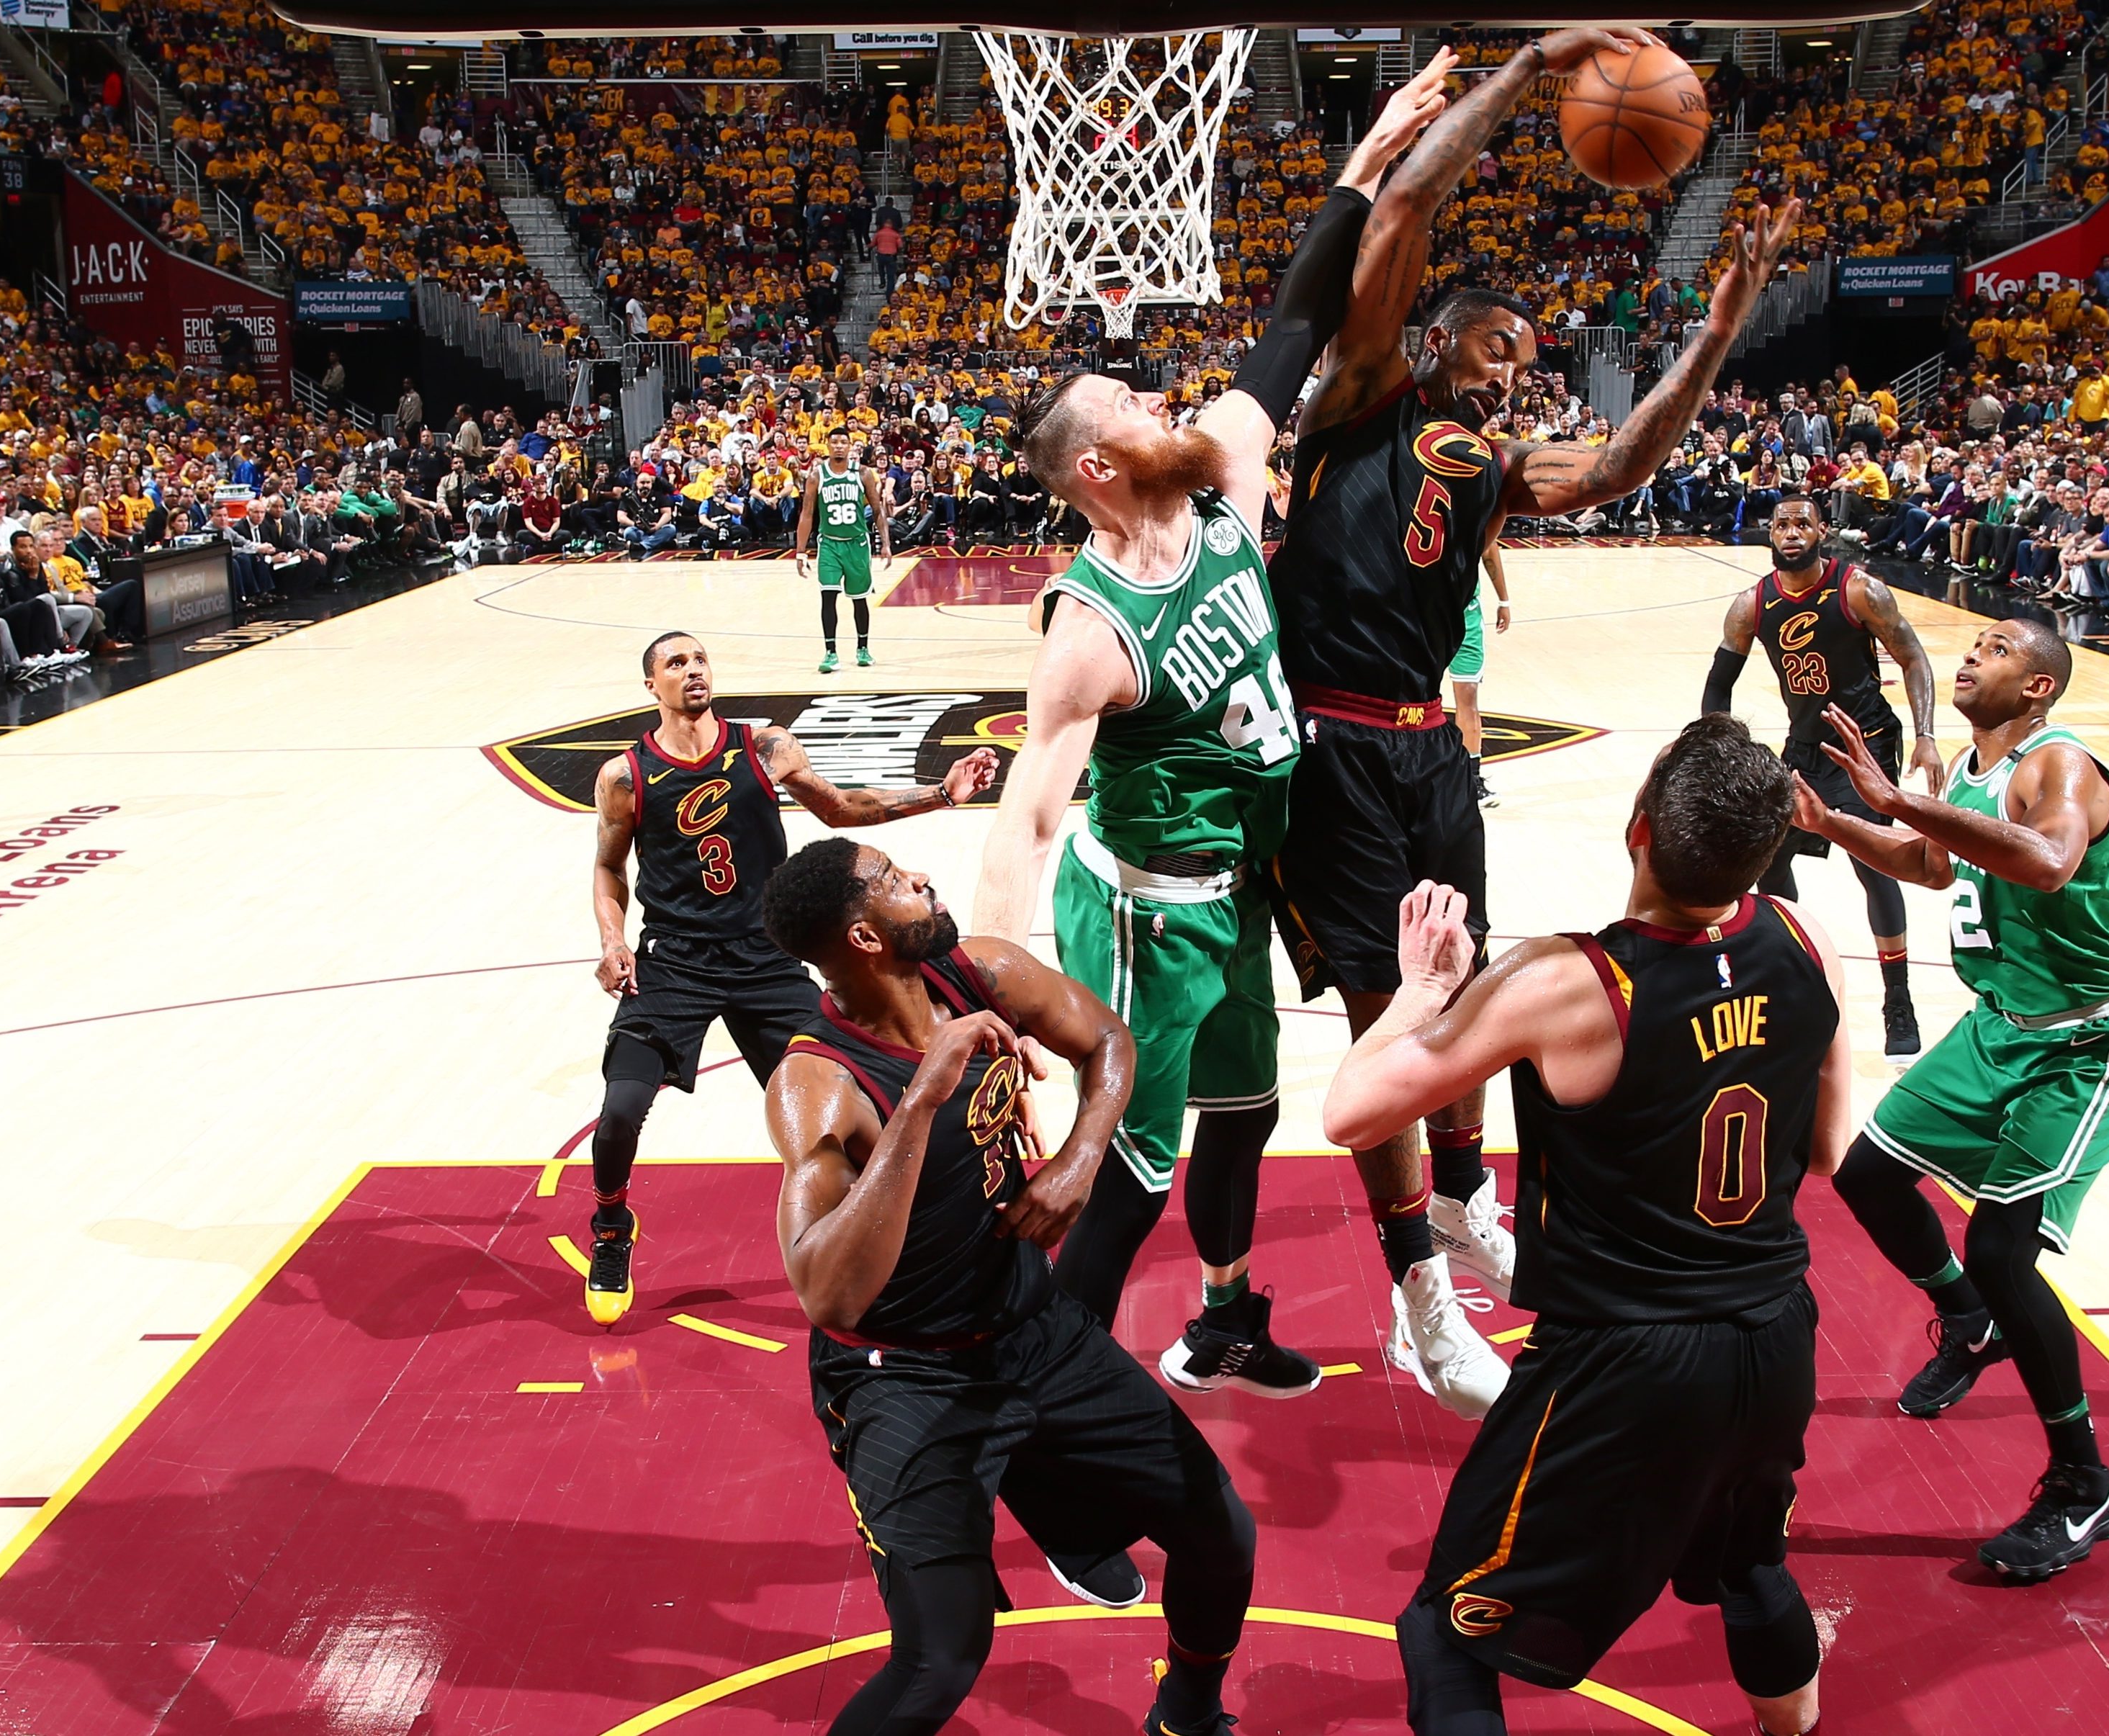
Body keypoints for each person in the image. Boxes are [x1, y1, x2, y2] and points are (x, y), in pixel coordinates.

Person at [1268, 22, 1806, 1418]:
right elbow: (1403, 206)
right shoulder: (1364, 389)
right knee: (1392, 1010)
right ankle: (1418, 1297)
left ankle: (1462, 1204)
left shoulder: (1498, 469)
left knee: (1465, 992)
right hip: (1329, 745)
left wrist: (1719, 326)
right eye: (1498, 347)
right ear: (1437, 339)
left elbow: (1624, 460)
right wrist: (1530, 71)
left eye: (1528, 359)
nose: (1514, 372)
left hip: (1430, 750)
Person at [970, 57, 1456, 1478]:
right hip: (1141, 911)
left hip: (1237, 887)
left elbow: (1297, 324)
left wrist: (1369, 157)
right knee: (1122, 1173)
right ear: (1098, 473)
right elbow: (1027, 812)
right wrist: (992, 994)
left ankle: (1229, 1316)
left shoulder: (1226, 468)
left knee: (1242, 1111)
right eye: (1132, 402)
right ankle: (1039, 1434)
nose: (1168, 398)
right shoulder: (1090, 626)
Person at [1320, 715, 1846, 1736]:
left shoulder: (1570, 979)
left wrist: (1422, 987)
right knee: (1751, 1565)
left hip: (1625, 1363)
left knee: (1446, 1628)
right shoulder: (1802, 935)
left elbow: (1352, 1112)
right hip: (1776, 1335)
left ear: (1637, 827)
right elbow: (1824, 1149)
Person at [759, 838, 1256, 1736]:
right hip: (905, 1376)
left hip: (1036, 1330)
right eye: (892, 878)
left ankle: (1187, 1710)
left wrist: (1080, 1154)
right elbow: (828, 1293)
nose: (920, 874)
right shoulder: (820, 1084)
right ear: (865, 935)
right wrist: (920, 1100)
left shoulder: (979, 969)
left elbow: (1107, 1037)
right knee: (940, 1657)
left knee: (1223, 1531)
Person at [1793, 619, 2109, 1583]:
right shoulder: (1968, 767)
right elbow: (1933, 864)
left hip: (2085, 1039)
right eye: (1975, 644)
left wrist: (1901, 799)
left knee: (2004, 1246)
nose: (1970, 654)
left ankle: (2084, 1483)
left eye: (1998, 649)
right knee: (1868, 1171)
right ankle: (1968, 1319)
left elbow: (2044, 860)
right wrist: (1840, 824)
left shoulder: (2063, 766)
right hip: (2000, 1023)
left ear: (2038, 688)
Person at [580, 631, 997, 1326]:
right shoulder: (625, 777)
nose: (693, 671)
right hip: (675, 961)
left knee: (858, 1100)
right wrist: (611, 940)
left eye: (699, 658)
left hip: (765, 957)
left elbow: (840, 809)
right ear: (651, 686)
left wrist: (942, 793)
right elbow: (607, 867)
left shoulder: (765, 746)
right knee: (621, 1108)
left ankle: (896, 1236)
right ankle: (612, 1228)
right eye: (675, 664)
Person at [1701, 495, 1944, 1064]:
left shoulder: (1859, 589)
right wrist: (1721, 743)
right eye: (1781, 524)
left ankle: (1898, 1001)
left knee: (1875, 864)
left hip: (1867, 746)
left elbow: (1912, 656)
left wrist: (1927, 733)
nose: (1790, 533)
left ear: (1822, 531)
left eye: (1801, 524)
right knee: (1767, 856)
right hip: (1804, 747)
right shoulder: (1751, 605)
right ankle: (1792, 978)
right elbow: (1719, 685)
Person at [799, 430, 888, 672]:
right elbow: (807, 513)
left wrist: (887, 544)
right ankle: (830, 653)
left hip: (857, 544)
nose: (839, 446)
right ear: (827, 445)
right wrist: (800, 551)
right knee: (828, 597)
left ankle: (863, 648)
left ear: (851, 446)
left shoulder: (863, 473)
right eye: (834, 442)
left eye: (843, 442)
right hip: (829, 544)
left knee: (859, 600)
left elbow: (878, 511)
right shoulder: (817, 475)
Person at [1448, 544, 1511, 807]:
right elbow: (1489, 550)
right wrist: (1504, 601)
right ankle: (1470, 782)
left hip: (1437, 610)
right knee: (1467, 701)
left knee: (1464, 699)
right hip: (1455, 612)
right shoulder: (1479, 507)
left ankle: (1470, 780)